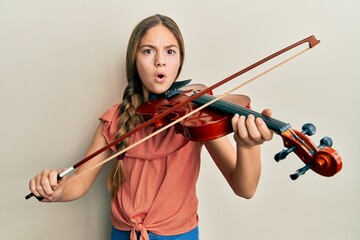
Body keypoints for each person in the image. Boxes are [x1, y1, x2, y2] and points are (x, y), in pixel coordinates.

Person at [29, 14, 273, 240]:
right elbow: (80, 181)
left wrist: (248, 146)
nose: (160, 62)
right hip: (123, 235)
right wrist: (56, 191)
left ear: (180, 61)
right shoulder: (115, 118)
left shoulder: (196, 115)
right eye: (148, 51)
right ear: (134, 60)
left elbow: (245, 188)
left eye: (170, 52)